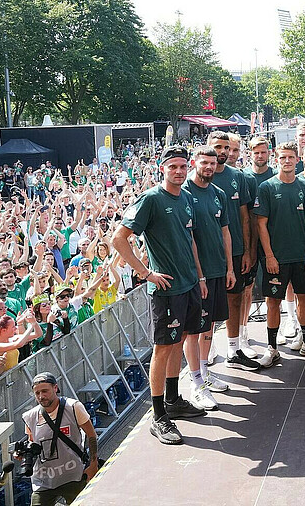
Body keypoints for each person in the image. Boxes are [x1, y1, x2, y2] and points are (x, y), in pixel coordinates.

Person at [112, 145, 209, 446]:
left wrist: (200, 277)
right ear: (162, 168)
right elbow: (118, 238)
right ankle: (158, 416)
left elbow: (190, 239)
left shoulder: (187, 197)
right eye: (172, 166)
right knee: (163, 348)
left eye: (182, 166)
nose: (178, 171)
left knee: (179, 341)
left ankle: (173, 399)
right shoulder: (151, 199)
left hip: (189, 284)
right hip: (165, 289)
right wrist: (146, 273)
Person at [254, 141, 305, 365]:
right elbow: (261, 225)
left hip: (301, 256)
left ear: (297, 160)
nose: (287, 161)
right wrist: (269, 256)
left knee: (304, 298)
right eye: (282, 157)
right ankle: (272, 348)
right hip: (277, 258)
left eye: (290, 157)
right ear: (276, 159)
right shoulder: (267, 187)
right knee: (273, 302)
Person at [181, 146, 237, 409]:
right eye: (204, 162)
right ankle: (195, 382)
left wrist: (229, 268)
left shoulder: (219, 194)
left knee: (209, 326)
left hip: (217, 270)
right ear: (195, 163)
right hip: (195, 275)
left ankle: (204, 371)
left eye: (212, 163)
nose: (209, 167)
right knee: (193, 330)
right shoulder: (184, 193)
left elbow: (225, 231)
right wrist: (200, 275)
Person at [206, 132, 260, 372]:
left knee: (235, 298)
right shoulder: (197, 178)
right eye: (218, 146)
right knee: (207, 303)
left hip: (236, 249)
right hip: (208, 253)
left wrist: (248, 251)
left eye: (226, 147)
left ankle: (233, 349)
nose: (223, 151)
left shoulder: (238, 177)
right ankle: (206, 352)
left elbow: (245, 217)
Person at [21, 372, 99, 506]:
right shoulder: (30, 416)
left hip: (73, 476)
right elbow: (32, 443)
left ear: (55, 388)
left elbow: (91, 435)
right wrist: (24, 454)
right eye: (37, 393)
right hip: (44, 480)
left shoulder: (73, 407)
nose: (41, 396)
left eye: (45, 391)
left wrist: (93, 465)